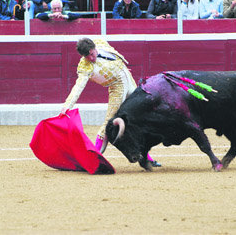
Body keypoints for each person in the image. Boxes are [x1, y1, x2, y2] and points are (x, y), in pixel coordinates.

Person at [60, 38, 161, 167]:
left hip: (129, 82)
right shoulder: (84, 66)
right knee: (109, 123)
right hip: (117, 88)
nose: (91, 58)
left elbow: (116, 57)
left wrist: (124, 72)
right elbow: (78, 87)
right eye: (87, 56)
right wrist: (67, 106)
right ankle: (94, 159)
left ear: (94, 47)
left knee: (138, 120)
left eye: (92, 53)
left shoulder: (101, 43)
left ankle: (146, 158)